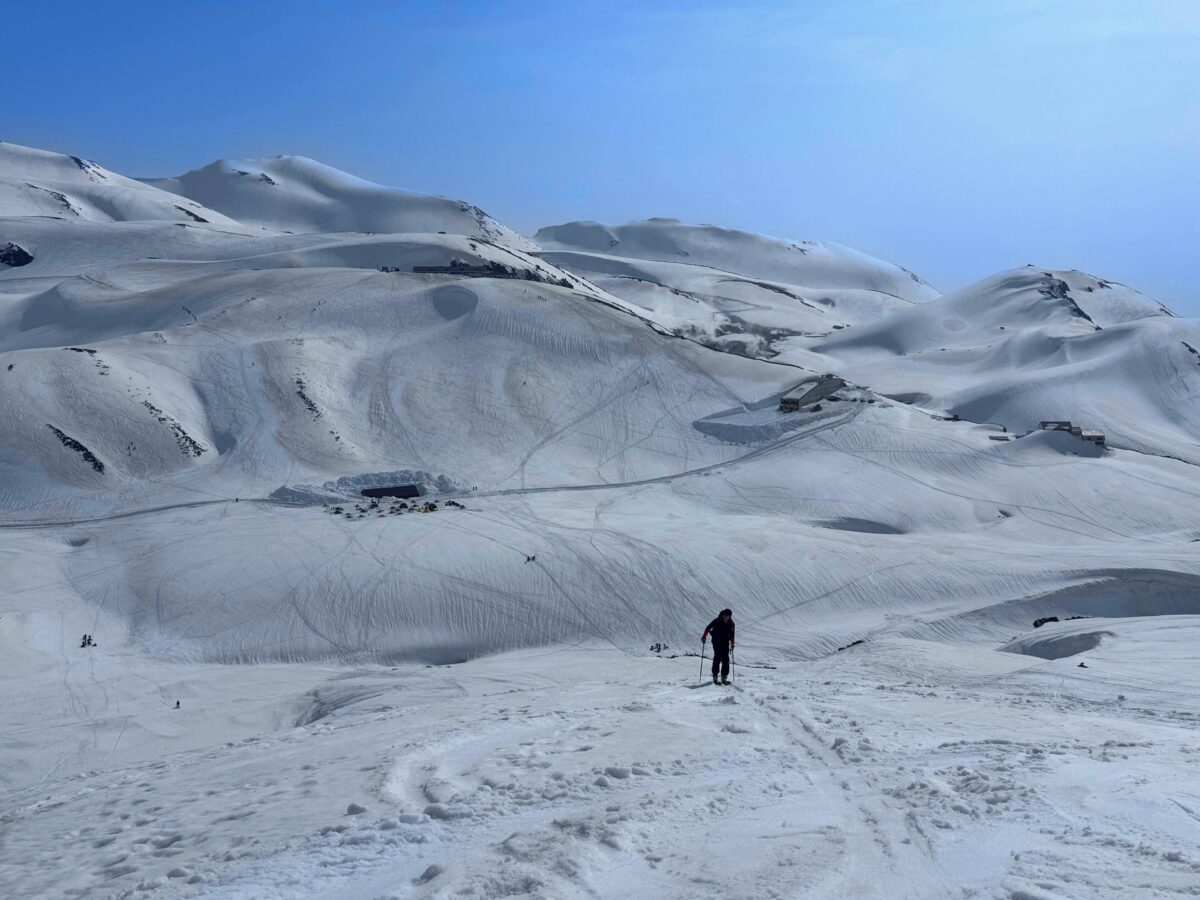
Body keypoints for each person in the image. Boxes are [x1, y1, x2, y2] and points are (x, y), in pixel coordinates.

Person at [702, 609, 736, 685]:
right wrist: (704, 636)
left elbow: (732, 634)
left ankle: (724, 677)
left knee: (725, 659)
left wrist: (732, 644)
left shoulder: (731, 624)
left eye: (727, 615)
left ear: (730, 616)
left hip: (725, 642)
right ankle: (715, 677)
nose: (725, 617)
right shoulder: (717, 621)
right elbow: (708, 628)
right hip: (716, 641)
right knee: (717, 657)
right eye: (724, 615)